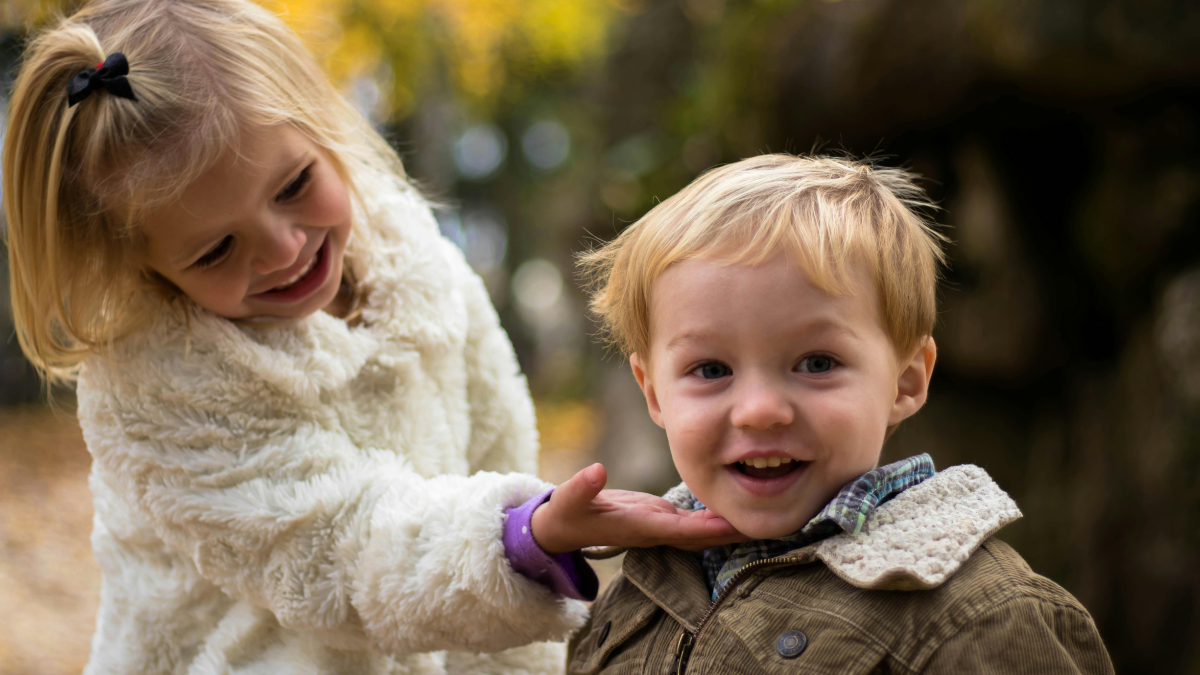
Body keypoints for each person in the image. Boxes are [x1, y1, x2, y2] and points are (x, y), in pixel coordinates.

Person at [1, 1, 742, 673]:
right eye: (215, 250)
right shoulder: (160, 386)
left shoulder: (412, 261)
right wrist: (522, 539)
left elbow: (492, 440)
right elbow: (336, 554)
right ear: (144, 266)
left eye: (294, 185)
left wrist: (521, 643)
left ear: (325, 128)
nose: (284, 247)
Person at [566, 154, 1116, 674]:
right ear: (654, 393)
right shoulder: (639, 585)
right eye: (711, 370)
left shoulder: (981, 616)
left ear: (906, 379)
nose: (760, 411)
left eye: (817, 362)